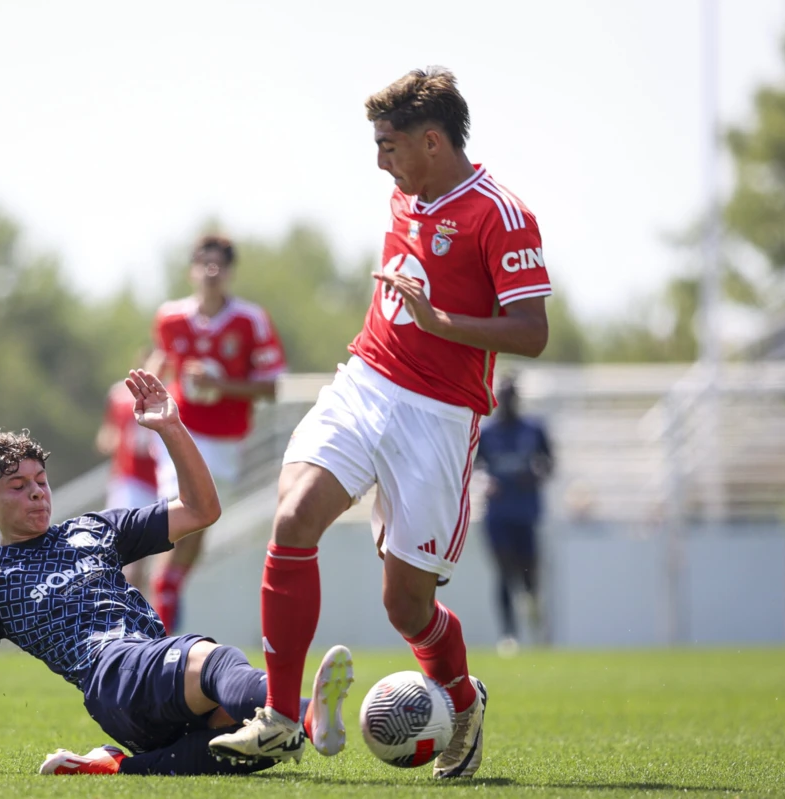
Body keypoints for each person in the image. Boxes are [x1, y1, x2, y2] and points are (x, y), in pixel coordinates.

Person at [209, 67, 552, 779]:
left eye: (388, 145)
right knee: (295, 516)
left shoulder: (502, 214)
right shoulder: (405, 191)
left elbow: (532, 331)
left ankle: (462, 699)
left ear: (433, 141)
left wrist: (439, 322)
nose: (379, 161)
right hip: (364, 383)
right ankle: (278, 716)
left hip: (438, 418)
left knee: (406, 603)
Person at [0, 371, 354, 777]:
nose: (37, 493)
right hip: (112, 676)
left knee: (244, 747)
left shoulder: (93, 529)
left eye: (40, 481)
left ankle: (112, 767)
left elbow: (202, 510)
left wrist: (171, 429)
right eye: (17, 487)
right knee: (215, 658)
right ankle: (308, 715)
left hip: (149, 676)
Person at [146, 234, 287, 633]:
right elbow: (161, 363)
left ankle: (168, 598)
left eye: (218, 265)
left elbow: (273, 384)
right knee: (178, 517)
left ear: (229, 271)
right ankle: (160, 620)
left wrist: (220, 386)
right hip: (180, 432)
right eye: (203, 263)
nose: (210, 272)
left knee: (198, 525)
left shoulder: (250, 320)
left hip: (226, 442)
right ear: (192, 270)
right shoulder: (171, 317)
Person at [475, 375, 554, 656]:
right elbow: (473, 467)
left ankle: (535, 621)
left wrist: (534, 475)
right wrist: (485, 480)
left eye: (511, 395)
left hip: (525, 513)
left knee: (528, 574)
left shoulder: (533, 429)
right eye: (503, 396)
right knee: (504, 571)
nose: (507, 401)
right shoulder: (486, 432)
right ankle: (508, 635)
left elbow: (550, 464)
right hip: (497, 514)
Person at [95, 354, 159, 592]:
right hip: (140, 482)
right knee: (137, 561)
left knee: (130, 558)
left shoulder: (119, 394)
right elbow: (107, 439)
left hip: (139, 482)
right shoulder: (165, 394)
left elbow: (105, 440)